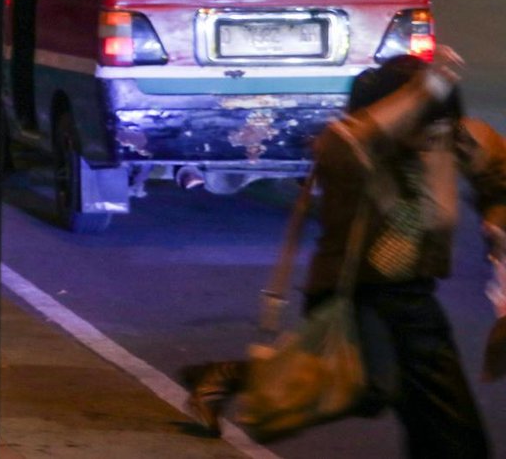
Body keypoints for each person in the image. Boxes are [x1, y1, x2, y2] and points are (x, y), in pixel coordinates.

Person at [180, 48, 506, 456]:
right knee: (365, 385)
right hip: (355, 293)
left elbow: (498, 173)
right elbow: (347, 141)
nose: (431, 137)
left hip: (414, 297)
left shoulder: (446, 136)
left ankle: (223, 377)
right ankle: (225, 376)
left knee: (452, 429)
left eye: (439, 123)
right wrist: (425, 89)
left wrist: (495, 220)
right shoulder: (353, 147)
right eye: (422, 122)